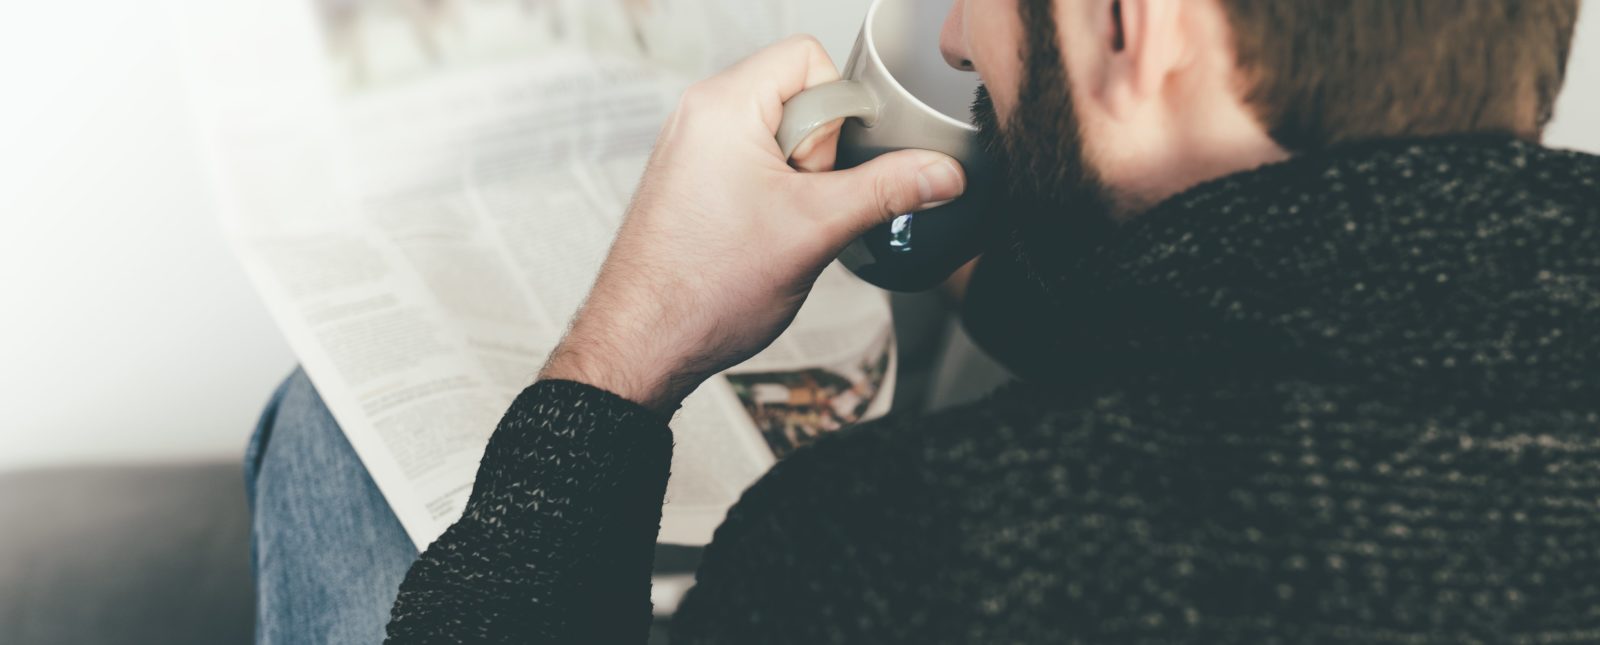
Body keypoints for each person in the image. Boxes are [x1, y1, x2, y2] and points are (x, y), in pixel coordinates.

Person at [247, 0, 1600, 642]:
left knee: (326, 440)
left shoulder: (910, 551)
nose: (958, 35)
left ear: (1142, 26)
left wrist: (624, 350)